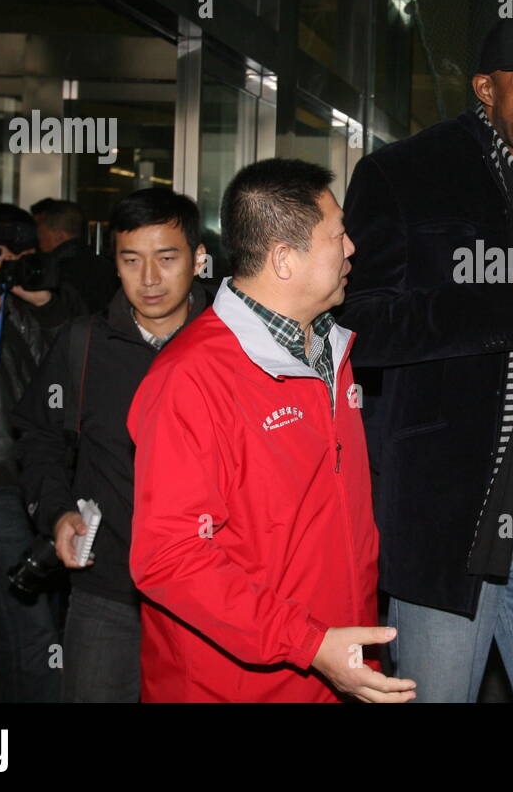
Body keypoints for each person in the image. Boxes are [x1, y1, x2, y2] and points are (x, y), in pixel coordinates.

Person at [339, 14, 513, 702]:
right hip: (453, 514)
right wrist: (502, 303)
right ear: (485, 90)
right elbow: (361, 326)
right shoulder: (402, 173)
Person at [128, 159, 413, 703]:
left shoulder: (329, 350)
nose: (352, 248)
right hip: (236, 685)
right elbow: (170, 557)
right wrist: (308, 642)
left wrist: (332, 647)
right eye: (337, 235)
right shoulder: (191, 377)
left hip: (331, 667)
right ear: (284, 258)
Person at [15, 189, 210, 702]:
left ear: (198, 258)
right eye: (131, 260)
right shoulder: (83, 345)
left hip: (211, 595)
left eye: (167, 258)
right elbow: (39, 437)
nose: (148, 279)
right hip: (109, 593)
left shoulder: (230, 346)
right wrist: (56, 513)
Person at [0, 203, 74, 702]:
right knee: (33, 634)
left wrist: (43, 305)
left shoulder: (26, 304)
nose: (17, 262)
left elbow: (64, 372)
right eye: (5, 252)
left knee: (5, 623)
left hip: (29, 479)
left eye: (26, 252)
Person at [31, 198, 118, 314]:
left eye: (41, 233)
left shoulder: (52, 271)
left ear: (58, 235)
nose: (38, 239)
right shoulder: (106, 265)